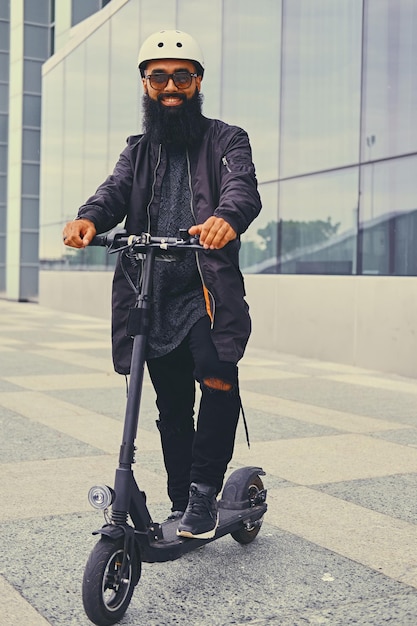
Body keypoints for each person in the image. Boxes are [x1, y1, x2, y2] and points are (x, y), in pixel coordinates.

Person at [63, 29, 262, 540]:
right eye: (159, 77)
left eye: (181, 76)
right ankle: (182, 502)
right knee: (171, 402)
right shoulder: (137, 149)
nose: (170, 87)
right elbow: (113, 192)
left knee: (217, 373)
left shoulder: (227, 139)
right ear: (146, 84)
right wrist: (89, 218)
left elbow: (242, 186)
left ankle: (202, 495)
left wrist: (226, 217)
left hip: (204, 288)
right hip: (151, 291)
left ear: (197, 81)